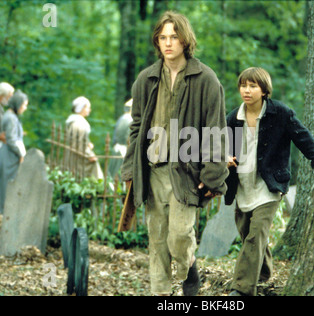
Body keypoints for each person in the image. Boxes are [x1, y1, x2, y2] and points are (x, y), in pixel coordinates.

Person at [121, 11, 229, 296]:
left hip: (186, 173)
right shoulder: (146, 79)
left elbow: (215, 130)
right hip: (153, 170)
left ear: (185, 40)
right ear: (157, 42)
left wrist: (214, 175)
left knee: (180, 236)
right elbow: (136, 129)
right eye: (162, 38)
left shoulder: (206, 79)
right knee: (157, 242)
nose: (168, 43)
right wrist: (130, 170)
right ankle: (161, 297)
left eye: (174, 37)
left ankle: (189, 270)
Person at [225, 67, 314, 296]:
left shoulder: (281, 113)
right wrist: (224, 158)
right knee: (249, 235)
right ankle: (264, 272)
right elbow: (219, 148)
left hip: (269, 187)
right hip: (242, 187)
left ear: (264, 90)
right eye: (244, 85)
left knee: (256, 235)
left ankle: (242, 288)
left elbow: (304, 138)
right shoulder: (232, 118)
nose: (247, 90)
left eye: (253, 86)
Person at [64, 96, 103, 180]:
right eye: (87, 107)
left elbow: (80, 140)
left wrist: (88, 143)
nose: (89, 110)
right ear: (81, 108)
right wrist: (90, 155)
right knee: (95, 168)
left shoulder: (74, 121)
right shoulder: (80, 124)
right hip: (78, 157)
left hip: (73, 154)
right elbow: (80, 144)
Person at [108, 99, 133, 179]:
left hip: (117, 147)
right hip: (124, 149)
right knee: (119, 174)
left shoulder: (121, 118)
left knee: (113, 172)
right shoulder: (130, 119)